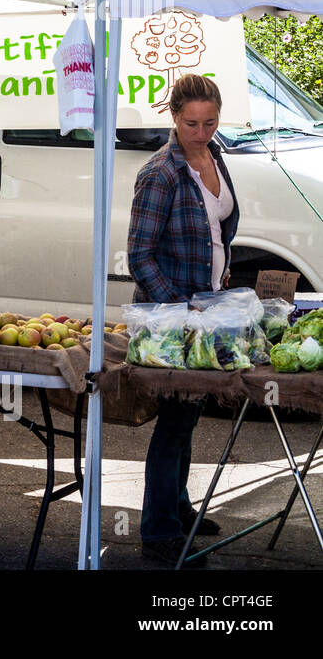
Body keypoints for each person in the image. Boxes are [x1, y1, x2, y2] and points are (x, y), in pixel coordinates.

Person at [128, 73, 238, 568]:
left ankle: (178, 506)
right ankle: (158, 530)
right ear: (173, 118)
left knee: (188, 416)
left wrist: (220, 272)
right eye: (191, 123)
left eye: (210, 122)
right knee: (173, 422)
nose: (201, 131)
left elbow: (218, 228)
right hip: (171, 318)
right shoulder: (160, 173)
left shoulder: (215, 157)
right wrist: (180, 309)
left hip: (206, 308)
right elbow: (139, 255)